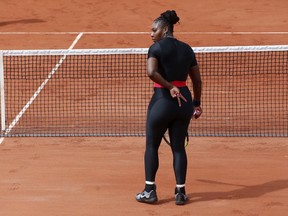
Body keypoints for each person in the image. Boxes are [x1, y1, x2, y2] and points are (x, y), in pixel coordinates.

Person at [135, 10, 202, 205]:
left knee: (151, 146)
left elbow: (151, 72)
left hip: (162, 102)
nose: (151, 34)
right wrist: (196, 104)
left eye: (154, 30)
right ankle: (180, 193)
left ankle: (150, 191)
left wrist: (170, 87)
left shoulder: (155, 48)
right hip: (184, 104)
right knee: (179, 148)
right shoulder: (187, 49)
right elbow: (197, 81)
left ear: (164, 29)